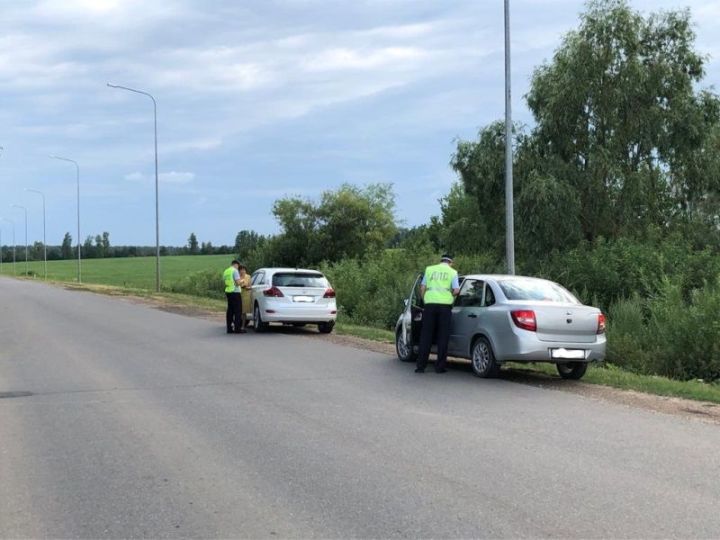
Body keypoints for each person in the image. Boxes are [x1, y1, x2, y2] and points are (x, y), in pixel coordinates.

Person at [415, 254, 460, 374]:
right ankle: (440, 367)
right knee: (442, 337)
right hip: (445, 307)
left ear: (441, 261)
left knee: (426, 336)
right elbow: (456, 290)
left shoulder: (429, 269)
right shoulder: (453, 272)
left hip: (429, 306)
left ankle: (420, 366)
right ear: (451, 262)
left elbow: (422, 287)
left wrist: (424, 300)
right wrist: (451, 294)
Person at [223, 259, 244, 334]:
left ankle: (229, 328)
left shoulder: (226, 271)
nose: (238, 268)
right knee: (238, 311)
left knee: (230, 311)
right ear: (236, 264)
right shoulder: (235, 271)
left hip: (228, 292)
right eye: (238, 266)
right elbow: (238, 283)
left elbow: (225, 281)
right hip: (235, 292)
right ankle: (237, 329)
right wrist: (242, 281)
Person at [237, 263, 252, 331]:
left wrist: (247, 287)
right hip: (238, 295)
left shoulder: (248, 276)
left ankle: (243, 326)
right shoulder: (237, 277)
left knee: (244, 312)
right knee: (238, 311)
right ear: (239, 270)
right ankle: (237, 324)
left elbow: (250, 286)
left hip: (246, 296)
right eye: (241, 270)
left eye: (244, 269)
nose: (242, 271)